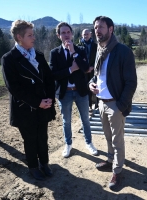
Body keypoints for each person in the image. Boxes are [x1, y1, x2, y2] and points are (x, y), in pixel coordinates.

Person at [2, 20, 56, 181]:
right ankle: (33, 166)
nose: (34, 38)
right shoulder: (9, 59)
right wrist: (37, 102)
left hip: (43, 105)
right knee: (30, 139)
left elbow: (49, 79)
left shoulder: (38, 55)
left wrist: (49, 100)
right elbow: (14, 88)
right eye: (30, 35)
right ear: (19, 37)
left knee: (43, 137)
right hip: (25, 108)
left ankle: (44, 163)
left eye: (33, 34)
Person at [89, 16, 137, 190]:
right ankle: (110, 160)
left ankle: (117, 170)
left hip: (115, 104)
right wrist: (91, 84)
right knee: (108, 137)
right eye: (95, 27)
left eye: (101, 27)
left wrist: (121, 106)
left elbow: (131, 82)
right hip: (102, 102)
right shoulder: (99, 50)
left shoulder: (123, 51)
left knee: (118, 140)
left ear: (111, 29)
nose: (97, 30)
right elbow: (96, 76)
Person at [49, 22, 98, 158]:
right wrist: (71, 69)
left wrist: (73, 52)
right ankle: (68, 144)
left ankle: (89, 143)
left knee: (85, 119)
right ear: (59, 36)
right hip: (65, 93)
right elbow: (53, 74)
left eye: (68, 32)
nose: (66, 35)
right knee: (66, 121)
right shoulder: (54, 53)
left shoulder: (80, 50)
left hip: (80, 91)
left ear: (72, 34)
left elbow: (85, 68)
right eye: (63, 33)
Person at [77, 29, 97, 112]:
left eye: (87, 34)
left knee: (95, 86)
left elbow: (98, 58)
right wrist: (84, 68)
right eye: (84, 34)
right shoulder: (78, 46)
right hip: (83, 71)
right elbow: (77, 59)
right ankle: (88, 105)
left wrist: (93, 67)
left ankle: (96, 104)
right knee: (86, 88)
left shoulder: (95, 46)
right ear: (82, 35)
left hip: (94, 70)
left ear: (91, 35)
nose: (86, 36)